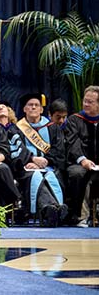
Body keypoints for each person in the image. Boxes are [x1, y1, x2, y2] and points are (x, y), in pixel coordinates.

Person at [10, 93, 68, 226]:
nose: (34, 108)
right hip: (26, 167)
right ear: (24, 109)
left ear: (42, 110)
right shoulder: (16, 129)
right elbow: (14, 150)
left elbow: (59, 150)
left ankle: (50, 209)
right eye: (30, 105)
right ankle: (53, 208)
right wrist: (31, 159)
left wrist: (46, 161)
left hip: (50, 166)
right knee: (36, 176)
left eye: (37, 105)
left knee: (50, 175)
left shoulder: (52, 128)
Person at [63, 85, 99, 227]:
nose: (86, 104)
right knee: (77, 174)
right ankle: (80, 216)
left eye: (90, 102)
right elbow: (72, 143)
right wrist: (83, 159)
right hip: (79, 163)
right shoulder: (74, 120)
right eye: (85, 101)